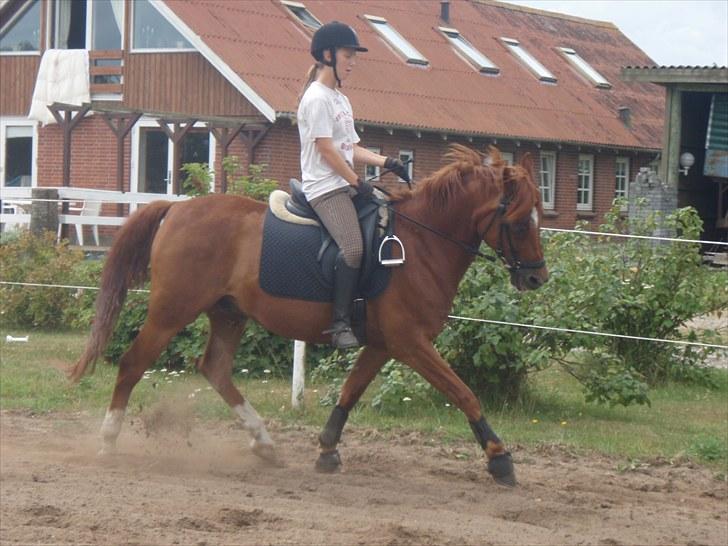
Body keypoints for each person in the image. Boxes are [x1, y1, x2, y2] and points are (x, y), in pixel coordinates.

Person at [297, 21, 410, 349]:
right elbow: (326, 150)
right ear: (328, 55)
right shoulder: (316, 98)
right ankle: (340, 322)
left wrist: (387, 162)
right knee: (354, 247)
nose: (352, 62)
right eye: (348, 55)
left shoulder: (339, 100)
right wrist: (358, 182)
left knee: (386, 220)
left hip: (344, 183)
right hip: (324, 187)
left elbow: (349, 148)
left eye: (353, 57)